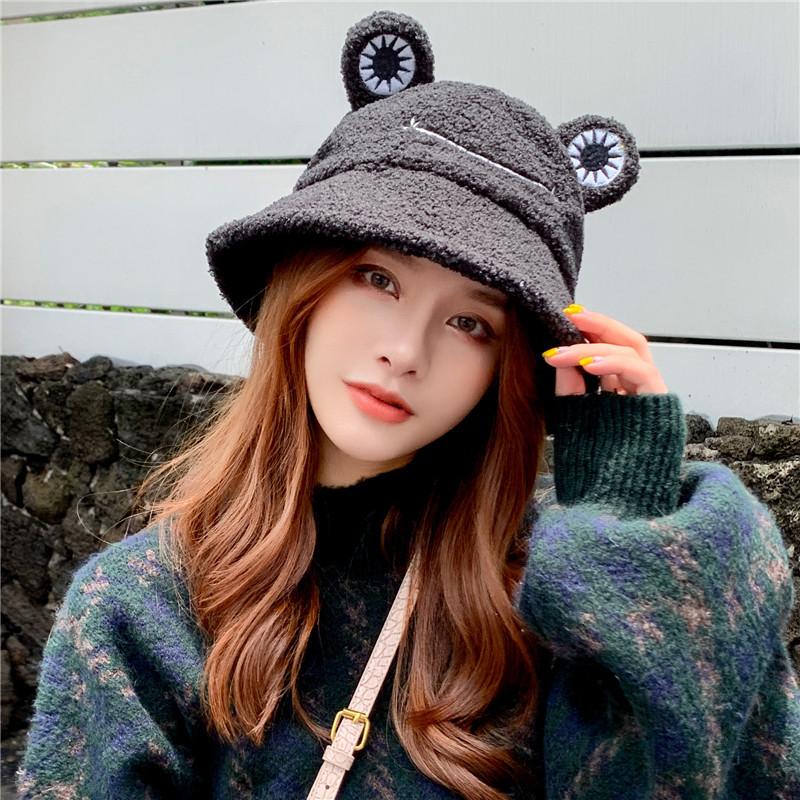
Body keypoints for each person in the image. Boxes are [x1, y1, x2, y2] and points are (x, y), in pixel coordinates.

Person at [16, 9, 800, 800]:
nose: (407, 351)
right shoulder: (142, 613)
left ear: (508, 371)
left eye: (471, 323)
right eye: (377, 278)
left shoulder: (550, 606)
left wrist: (629, 529)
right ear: (302, 284)